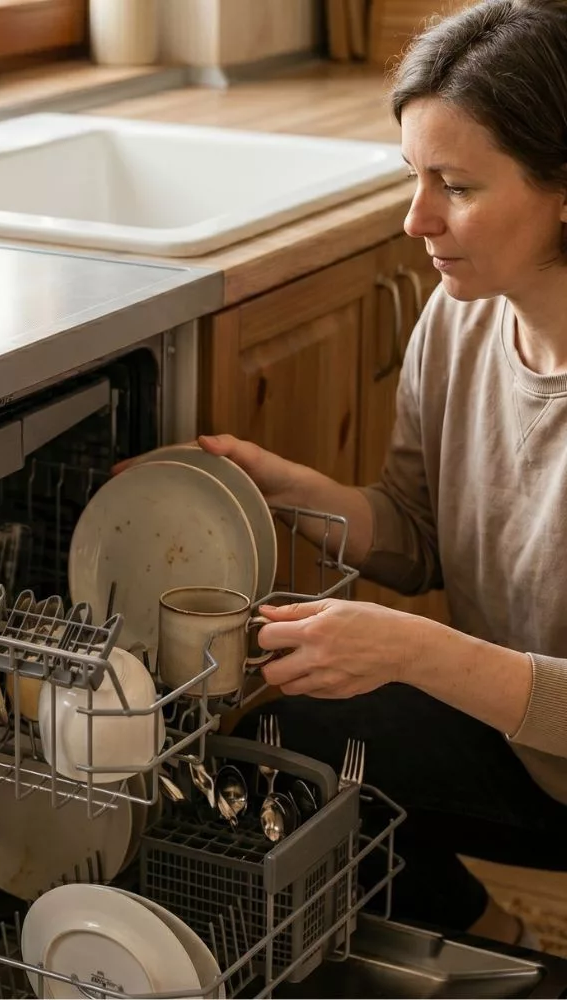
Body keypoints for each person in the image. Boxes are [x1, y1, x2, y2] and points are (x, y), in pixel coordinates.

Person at [201, 0, 567, 948]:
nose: (416, 220)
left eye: (457, 185)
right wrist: (279, 489)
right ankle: (496, 937)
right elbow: (417, 534)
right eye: (414, 175)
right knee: (272, 753)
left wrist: (415, 653)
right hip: (520, 740)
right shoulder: (460, 314)